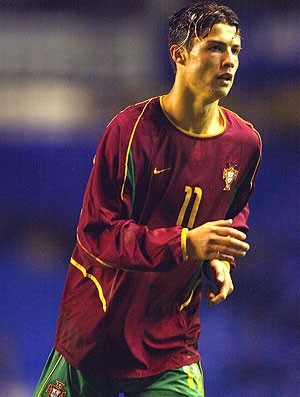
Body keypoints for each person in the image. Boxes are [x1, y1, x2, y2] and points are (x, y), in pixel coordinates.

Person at [33, 1, 262, 396]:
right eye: (214, 47)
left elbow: (231, 212)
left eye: (235, 49)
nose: (229, 61)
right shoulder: (131, 131)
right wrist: (187, 243)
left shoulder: (245, 144)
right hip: (94, 335)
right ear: (179, 54)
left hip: (170, 344)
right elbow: (98, 233)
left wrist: (218, 257)